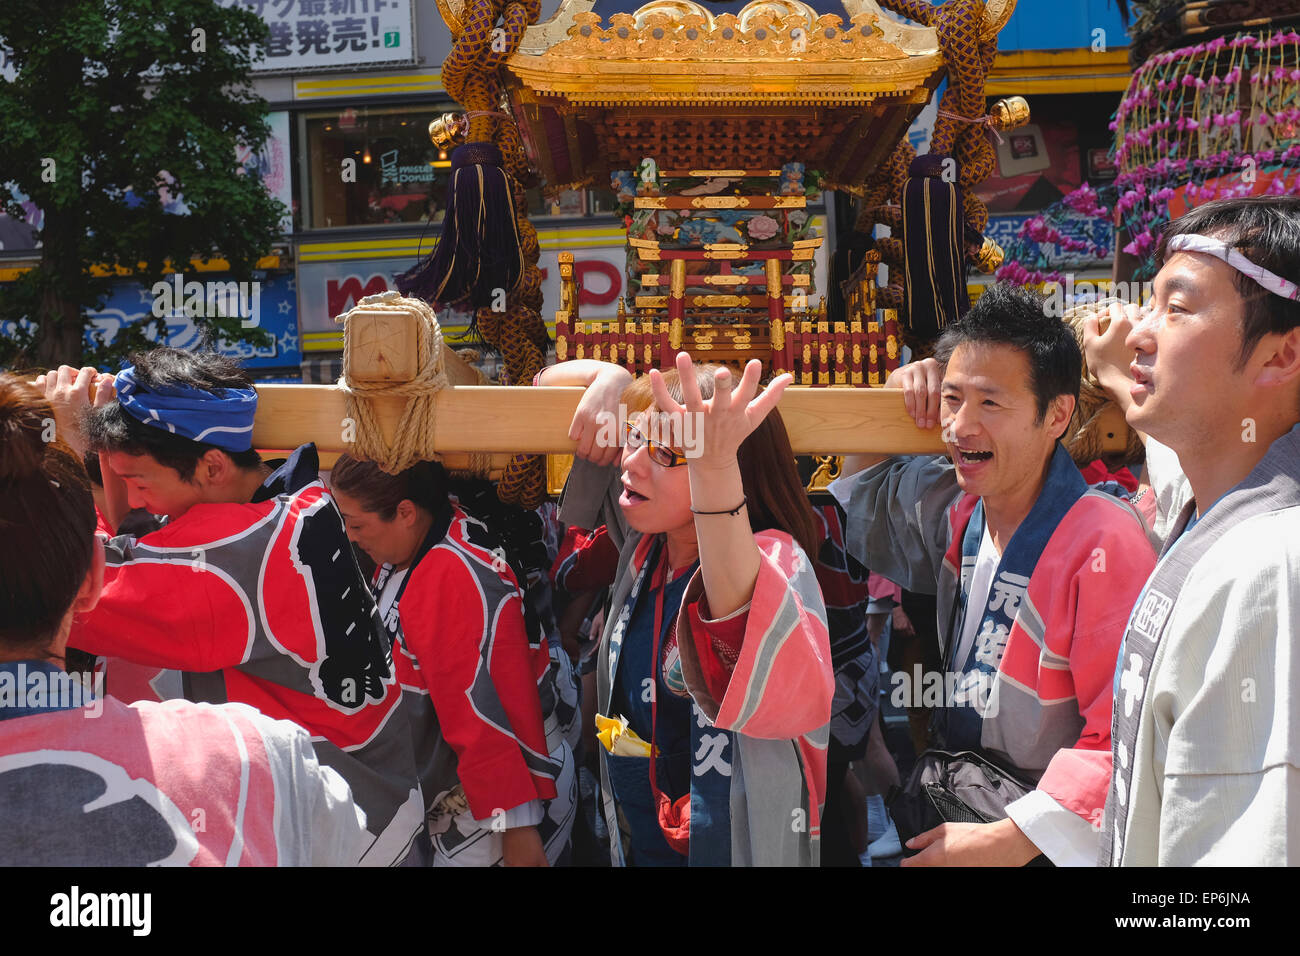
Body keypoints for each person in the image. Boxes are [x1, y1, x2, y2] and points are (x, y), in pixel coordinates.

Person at [44, 349, 429, 866]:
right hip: (369, 802)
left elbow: (63, 588)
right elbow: (141, 540)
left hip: (339, 836)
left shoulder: (226, 562)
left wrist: (64, 456)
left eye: (139, 482)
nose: (133, 500)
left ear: (212, 466)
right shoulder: (294, 497)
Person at [829, 283, 1157, 866]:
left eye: (990, 403)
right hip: (977, 813)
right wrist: (894, 393)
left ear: (1057, 414)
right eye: (952, 399)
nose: (960, 426)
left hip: (1041, 840)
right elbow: (859, 499)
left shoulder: (1105, 541)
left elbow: (1126, 736)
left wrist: (1007, 842)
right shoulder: (964, 512)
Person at [539, 353, 834, 866]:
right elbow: (543, 383)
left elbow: (741, 602)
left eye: (664, 452)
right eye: (632, 437)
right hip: (643, 837)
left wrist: (712, 466)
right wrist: (609, 378)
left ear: (733, 468)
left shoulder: (772, 562)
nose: (631, 462)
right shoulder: (645, 547)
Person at [1080, 196, 1300, 866]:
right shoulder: (1228, 497)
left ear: (1282, 355)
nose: (1139, 334)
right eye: (1149, 304)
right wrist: (1120, 378)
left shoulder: (1268, 564)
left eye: (1176, 308)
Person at [329, 454, 576, 866]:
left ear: (405, 512)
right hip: (464, 792)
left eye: (356, 525)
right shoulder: (428, 535)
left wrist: (516, 826)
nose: (351, 537)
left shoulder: (449, 573)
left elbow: (483, 713)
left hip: (499, 802)